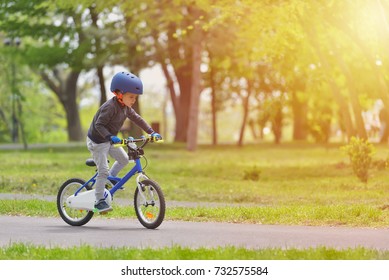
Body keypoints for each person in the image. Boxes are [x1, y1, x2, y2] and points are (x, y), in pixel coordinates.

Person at [86, 71, 162, 213]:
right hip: (97, 141)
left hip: (109, 140)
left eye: (135, 97)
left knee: (124, 159)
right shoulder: (110, 107)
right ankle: (99, 201)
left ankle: (109, 179)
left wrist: (151, 132)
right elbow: (99, 125)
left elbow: (138, 119)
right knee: (103, 170)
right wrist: (110, 137)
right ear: (119, 94)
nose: (134, 100)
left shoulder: (126, 108)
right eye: (131, 96)